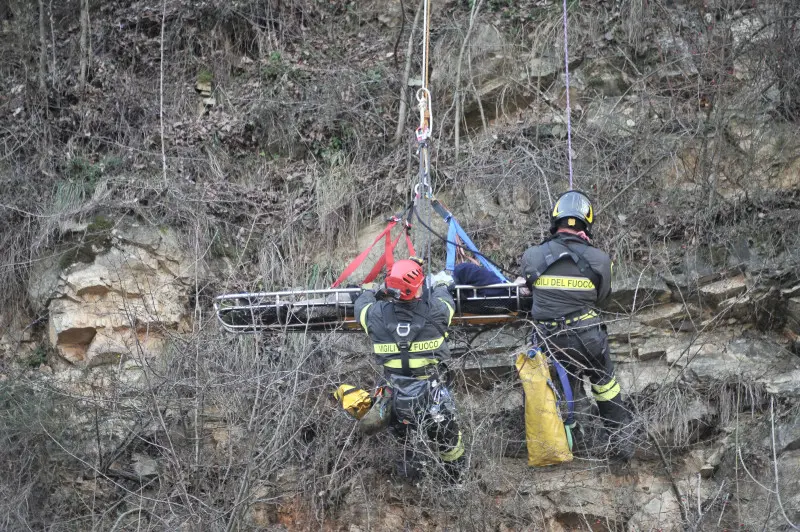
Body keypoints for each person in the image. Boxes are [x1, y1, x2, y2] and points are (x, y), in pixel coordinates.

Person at [519, 190, 634, 462]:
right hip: (588, 339)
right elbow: (602, 298)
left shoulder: (533, 256)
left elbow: (528, 292)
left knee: (556, 393)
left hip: (550, 342)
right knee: (606, 387)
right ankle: (623, 447)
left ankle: (566, 447)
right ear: (587, 222)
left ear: (555, 219)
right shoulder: (600, 260)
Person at [353, 258, 465, 480]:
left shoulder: (374, 315)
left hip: (396, 400)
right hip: (432, 399)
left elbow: (361, 306)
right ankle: (455, 481)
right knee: (449, 444)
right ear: (418, 287)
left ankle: (409, 485)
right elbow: (445, 299)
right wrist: (441, 284)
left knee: (405, 444)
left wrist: (369, 291)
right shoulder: (437, 311)